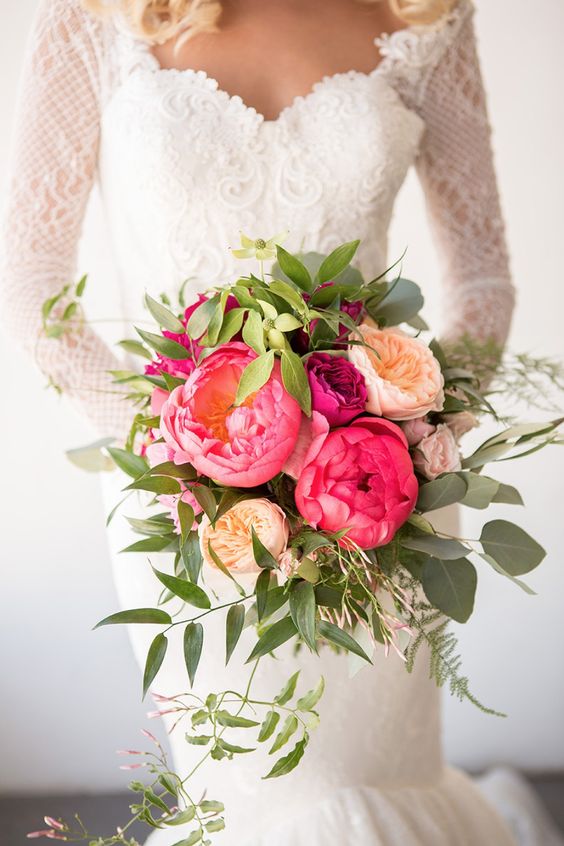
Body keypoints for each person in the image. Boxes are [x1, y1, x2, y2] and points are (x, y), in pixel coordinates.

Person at [3, 1, 559, 843]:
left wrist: (421, 433)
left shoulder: (426, 16)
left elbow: (482, 279)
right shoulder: (94, 14)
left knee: (369, 777)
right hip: (184, 512)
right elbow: (32, 277)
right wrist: (174, 449)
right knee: (254, 794)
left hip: (376, 505)